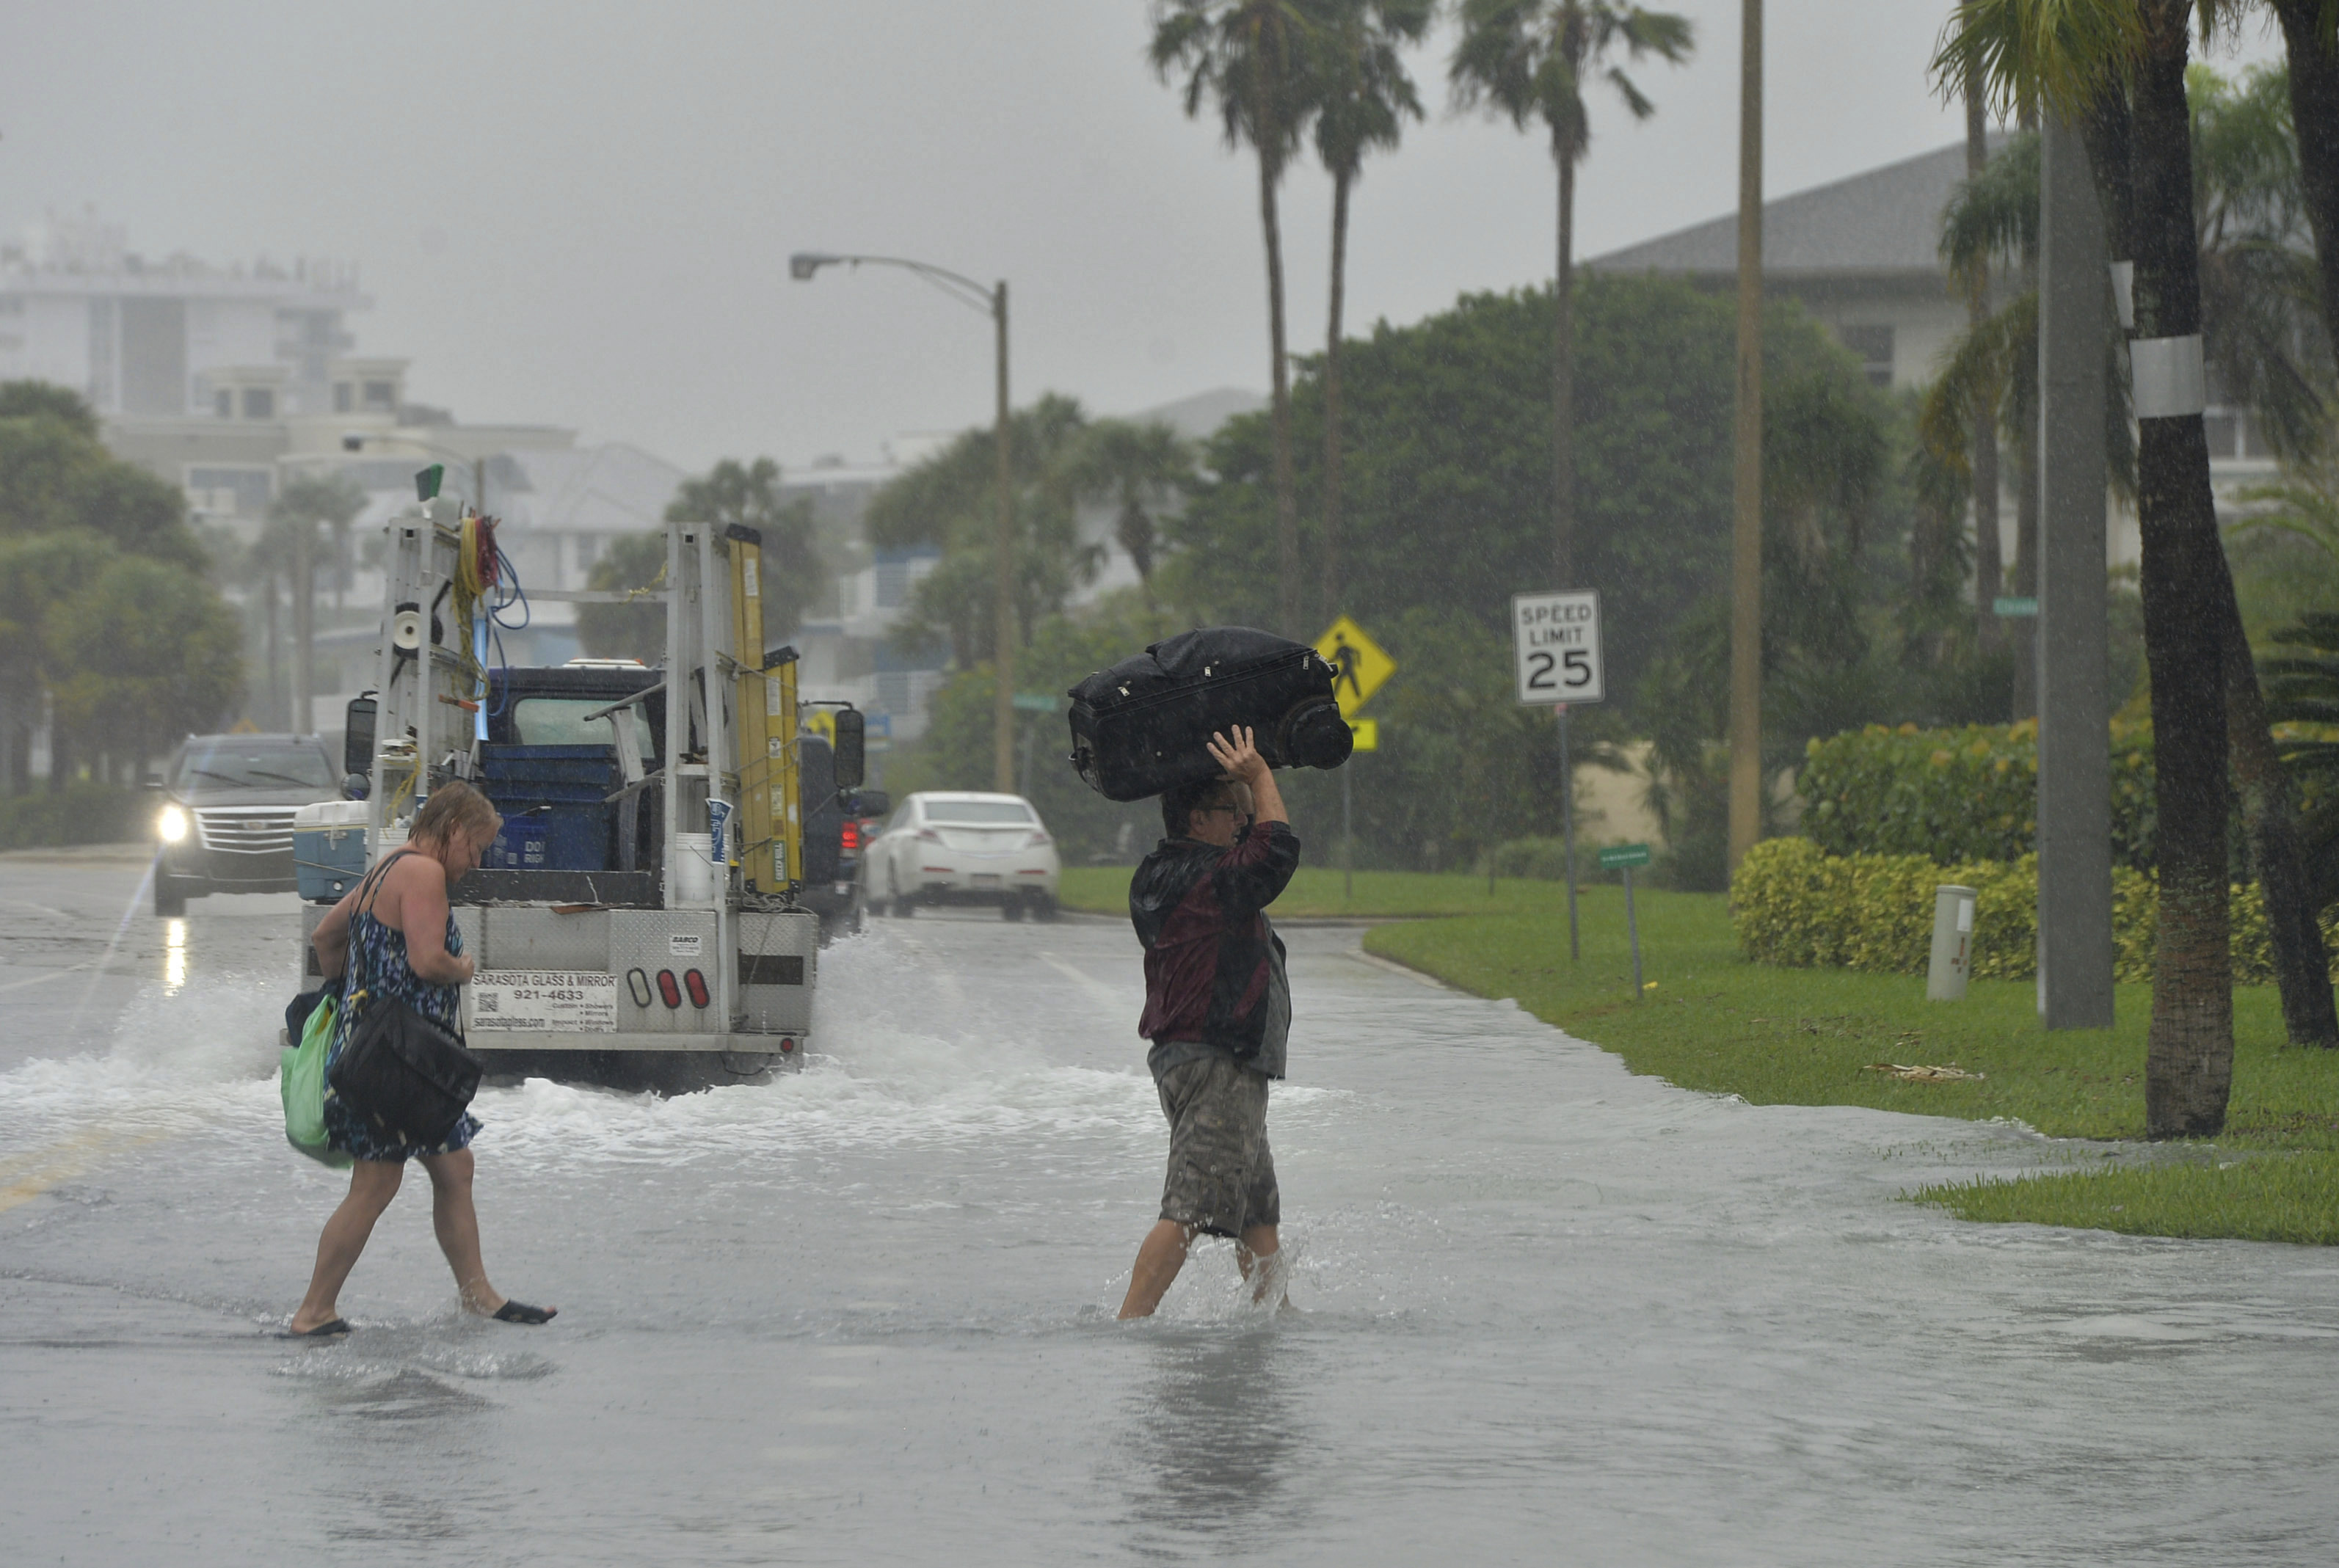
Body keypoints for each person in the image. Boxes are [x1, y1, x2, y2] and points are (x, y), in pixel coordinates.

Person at [285, 780, 556, 1336]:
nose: (474, 862)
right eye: (475, 847)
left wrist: (350, 993)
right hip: (397, 1064)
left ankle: (478, 1293)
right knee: (375, 1185)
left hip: (383, 1054)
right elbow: (428, 959)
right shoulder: (424, 873)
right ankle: (313, 1311)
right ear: (453, 829)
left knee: (455, 1167)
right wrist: (464, 967)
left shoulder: (389, 867)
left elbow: (324, 935)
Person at [1118, 726, 1301, 1319]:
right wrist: (1261, 776)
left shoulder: (1163, 875)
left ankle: (1275, 1311)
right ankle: (1130, 1320)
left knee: (1254, 1210)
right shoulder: (1207, 880)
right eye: (1230, 812)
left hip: (1201, 1062)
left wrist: (1247, 788)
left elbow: (1257, 844)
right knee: (1190, 1208)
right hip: (1219, 1063)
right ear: (1197, 819)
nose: (1242, 822)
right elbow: (1274, 853)